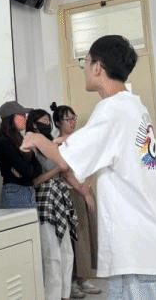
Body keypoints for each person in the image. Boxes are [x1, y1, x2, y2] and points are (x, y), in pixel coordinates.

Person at [21, 35, 156, 300]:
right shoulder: (134, 106)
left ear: (97, 67)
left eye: (85, 62)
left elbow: (64, 161)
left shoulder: (111, 109)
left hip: (136, 250)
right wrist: (65, 142)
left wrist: (37, 139)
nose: (84, 68)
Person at [50, 102, 101, 298]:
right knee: (75, 236)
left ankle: (84, 277)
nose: (72, 122)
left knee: (88, 234)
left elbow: (90, 164)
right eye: (67, 119)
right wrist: (82, 191)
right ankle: (72, 281)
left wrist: (87, 187)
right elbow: (65, 172)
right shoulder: (57, 143)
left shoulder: (79, 140)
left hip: (85, 189)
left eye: (74, 118)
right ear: (58, 122)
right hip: (71, 192)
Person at [26, 109, 77, 300]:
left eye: (49, 121)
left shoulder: (52, 143)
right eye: (43, 121)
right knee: (51, 254)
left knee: (67, 251)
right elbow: (35, 180)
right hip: (45, 199)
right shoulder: (31, 146)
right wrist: (58, 168)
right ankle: (52, 296)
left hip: (59, 197)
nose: (47, 125)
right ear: (34, 124)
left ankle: (65, 294)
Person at [0, 101, 42, 208]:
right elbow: (26, 171)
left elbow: (38, 169)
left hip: (28, 190)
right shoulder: (4, 142)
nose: (26, 118)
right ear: (11, 117)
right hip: (15, 192)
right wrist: (28, 170)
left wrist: (26, 171)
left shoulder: (21, 140)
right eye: (22, 115)